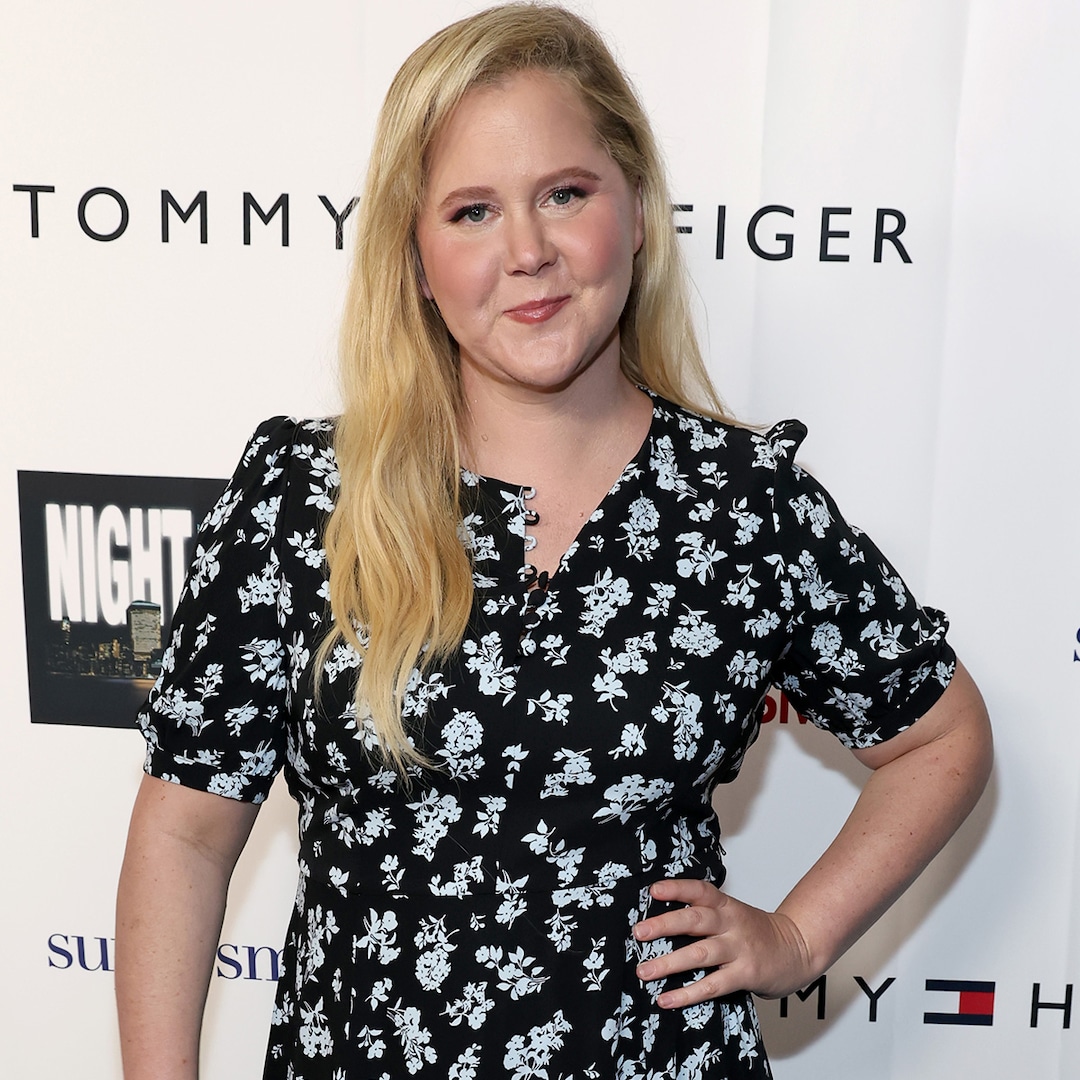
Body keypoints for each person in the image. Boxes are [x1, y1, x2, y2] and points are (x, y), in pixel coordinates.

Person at [115, 4, 992, 1078]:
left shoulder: (744, 508)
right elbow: (185, 833)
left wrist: (800, 938)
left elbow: (940, 737)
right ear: (415, 256)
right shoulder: (306, 498)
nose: (527, 252)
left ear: (636, 210)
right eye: (472, 211)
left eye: (565, 194)